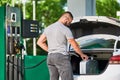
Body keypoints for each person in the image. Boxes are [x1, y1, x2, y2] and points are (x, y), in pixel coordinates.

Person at [37, 11, 88, 80]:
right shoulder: (65, 29)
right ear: (66, 18)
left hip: (50, 57)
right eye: (69, 22)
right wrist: (82, 54)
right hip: (61, 57)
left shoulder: (48, 28)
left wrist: (51, 50)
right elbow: (74, 45)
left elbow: (39, 42)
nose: (69, 24)